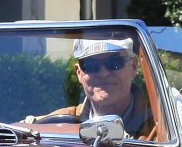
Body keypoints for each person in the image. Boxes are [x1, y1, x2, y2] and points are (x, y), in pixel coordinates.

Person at [26, 37, 159, 140]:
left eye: (114, 63)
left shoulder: (160, 128)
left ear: (134, 66)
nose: (103, 73)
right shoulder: (58, 122)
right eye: (91, 65)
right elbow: (21, 130)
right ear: (79, 73)